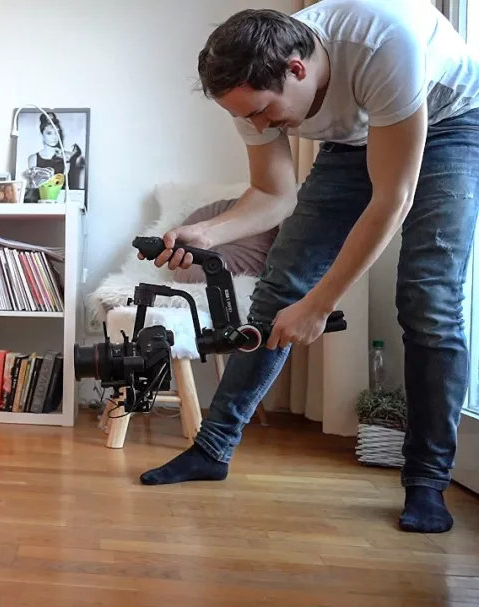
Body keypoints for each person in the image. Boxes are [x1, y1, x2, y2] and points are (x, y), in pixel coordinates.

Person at [140, 0, 479, 534]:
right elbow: (273, 195)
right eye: (244, 116)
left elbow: (392, 199)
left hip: (449, 123)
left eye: (262, 112)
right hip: (353, 138)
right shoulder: (254, 88)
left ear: (296, 69)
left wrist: (319, 306)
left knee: (428, 298)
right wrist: (207, 234)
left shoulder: (382, 46)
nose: (257, 126)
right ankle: (212, 449)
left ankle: (427, 481)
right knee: (278, 289)